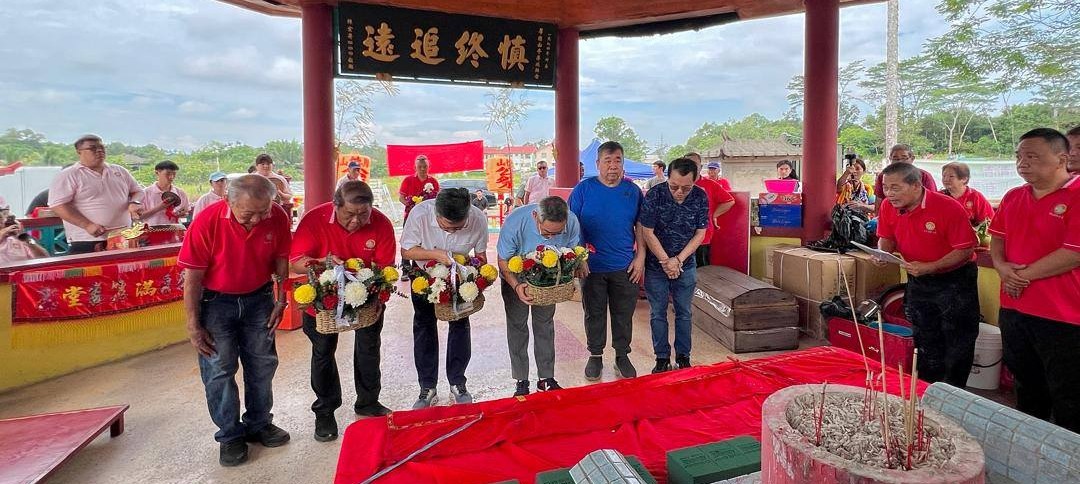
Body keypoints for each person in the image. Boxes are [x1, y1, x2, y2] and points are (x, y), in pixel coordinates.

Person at [178, 174, 292, 467]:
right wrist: (193, 325)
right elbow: (192, 278)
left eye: (263, 212)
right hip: (216, 303)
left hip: (260, 298)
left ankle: (259, 423)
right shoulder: (207, 221)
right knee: (219, 369)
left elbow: (281, 258)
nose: (257, 220)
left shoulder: (276, 216)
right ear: (228, 201)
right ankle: (229, 435)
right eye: (248, 214)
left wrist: (281, 299)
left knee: (262, 364)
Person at [289, 181, 396, 442]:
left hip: (365, 296)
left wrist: (375, 289)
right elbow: (296, 262)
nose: (356, 221)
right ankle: (325, 411)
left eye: (363, 214)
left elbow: (386, 267)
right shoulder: (314, 219)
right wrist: (323, 263)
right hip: (322, 298)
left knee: (369, 347)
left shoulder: (381, 223)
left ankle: (368, 401)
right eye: (349, 214)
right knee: (323, 351)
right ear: (335, 206)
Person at [990, 128, 1080, 433]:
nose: (1022, 163)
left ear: (1062, 159)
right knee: (1026, 385)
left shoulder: (1077, 195)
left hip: (1064, 315)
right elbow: (997, 238)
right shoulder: (1014, 196)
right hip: (1014, 308)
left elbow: (1073, 253)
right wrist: (1001, 267)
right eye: (1019, 156)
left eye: (1032, 156)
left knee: (1069, 394)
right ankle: (1029, 446)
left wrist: (1019, 276)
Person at [875, 162, 979, 388]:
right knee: (924, 337)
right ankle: (925, 389)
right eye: (885, 188)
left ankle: (953, 392)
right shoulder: (887, 206)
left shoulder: (947, 207)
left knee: (957, 340)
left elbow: (965, 249)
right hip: (918, 278)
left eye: (895, 188)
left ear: (916, 185)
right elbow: (886, 237)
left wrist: (931, 266)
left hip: (955, 279)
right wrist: (883, 253)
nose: (889, 194)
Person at [400, 188, 488, 408]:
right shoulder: (420, 214)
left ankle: (457, 382)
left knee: (460, 325)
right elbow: (407, 251)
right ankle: (427, 387)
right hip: (424, 276)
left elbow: (480, 255)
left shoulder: (478, 218)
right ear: (436, 214)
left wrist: (480, 279)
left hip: (460, 277)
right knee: (424, 327)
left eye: (458, 228)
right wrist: (435, 255)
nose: (452, 231)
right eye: (447, 226)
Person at [569, 141, 646, 381]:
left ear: (623, 163)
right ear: (598, 164)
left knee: (623, 314)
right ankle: (595, 355)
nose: (613, 166)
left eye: (617, 161)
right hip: (591, 266)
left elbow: (641, 226)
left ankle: (622, 355)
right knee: (594, 313)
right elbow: (573, 227)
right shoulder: (583, 190)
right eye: (608, 161)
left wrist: (640, 257)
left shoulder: (632, 192)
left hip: (625, 265)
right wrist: (579, 258)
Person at [497, 196, 581, 396]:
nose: (551, 237)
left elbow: (571, 250)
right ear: (536, 216)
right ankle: (521, 379)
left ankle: (546, 378)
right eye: (546, 232)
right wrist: (516, 286)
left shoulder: (572, 220)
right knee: (517, 325)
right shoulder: (515, 222)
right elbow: (502, 260)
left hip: (547, 276)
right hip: (516, 272)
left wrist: (576, 269)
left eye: (557, 233)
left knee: (545, 324)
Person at [640, 158, 708, 373]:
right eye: (674, 186)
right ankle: (661, 358)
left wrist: (677, 260)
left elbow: (700, 233)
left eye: (686, 188)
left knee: (684, 312)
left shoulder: (700, 196)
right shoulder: (655, 195)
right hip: (656, 266)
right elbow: (647, 231)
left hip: (686, 265)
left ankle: (683, 356)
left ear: (695, 180)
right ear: (667, 177)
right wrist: (665, 261)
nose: (679, 192)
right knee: (657, 313)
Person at [48, 135, 143, 254]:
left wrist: (134, 202)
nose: (99, 151)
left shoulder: (119, 170)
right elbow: (57, 205)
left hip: (123, 236)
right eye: (93, 148)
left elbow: (138, 191)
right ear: (79, 152)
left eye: (101, 147)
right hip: (87, 239)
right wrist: (87, 225)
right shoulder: (69, 175)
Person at [685, 153, 735, 267]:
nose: (690, 166)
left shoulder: (710, 184)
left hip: (703, 234)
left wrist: (714, 215)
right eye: (686, 163)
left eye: (694, 164)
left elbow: (729, 201)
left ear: (701, 167)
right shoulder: (677, 184)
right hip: (680, 235)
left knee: (702, 268)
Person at [874, 144, 938, 214]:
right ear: (890, 159)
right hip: (891, 214)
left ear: (912, 158)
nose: (900, 161)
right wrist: (877, 217)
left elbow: (932, 199)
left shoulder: (924, 176)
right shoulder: (883, 176)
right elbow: (879, 200)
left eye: (904, 158)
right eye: (895, 159)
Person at [940, 162, 994, 226]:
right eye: (944, 176)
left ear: (964, 179)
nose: (945, 179)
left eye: (951, 176)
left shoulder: (975, 197)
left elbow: (988, 222)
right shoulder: (938, 197)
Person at [139, 160, 190, 225]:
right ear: (157, 172)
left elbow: (186, 211)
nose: (171, 177)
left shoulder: (180, 193)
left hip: (175, 229)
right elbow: (138, 217)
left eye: (174, 174)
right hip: (152, 229)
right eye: (168, 174)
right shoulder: (145, 193)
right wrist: (159, 207)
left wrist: (183, 213)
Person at [399, 155, 440, 222]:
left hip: (428, 216)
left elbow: (438, 199)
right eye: (419, 167)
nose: (422, 169)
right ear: (415, 168)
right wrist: (412, 206)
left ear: (429, 167)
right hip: (411, 215)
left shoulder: (433, 181)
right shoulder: (407, 180)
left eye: (425, 166)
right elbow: (401, 198)